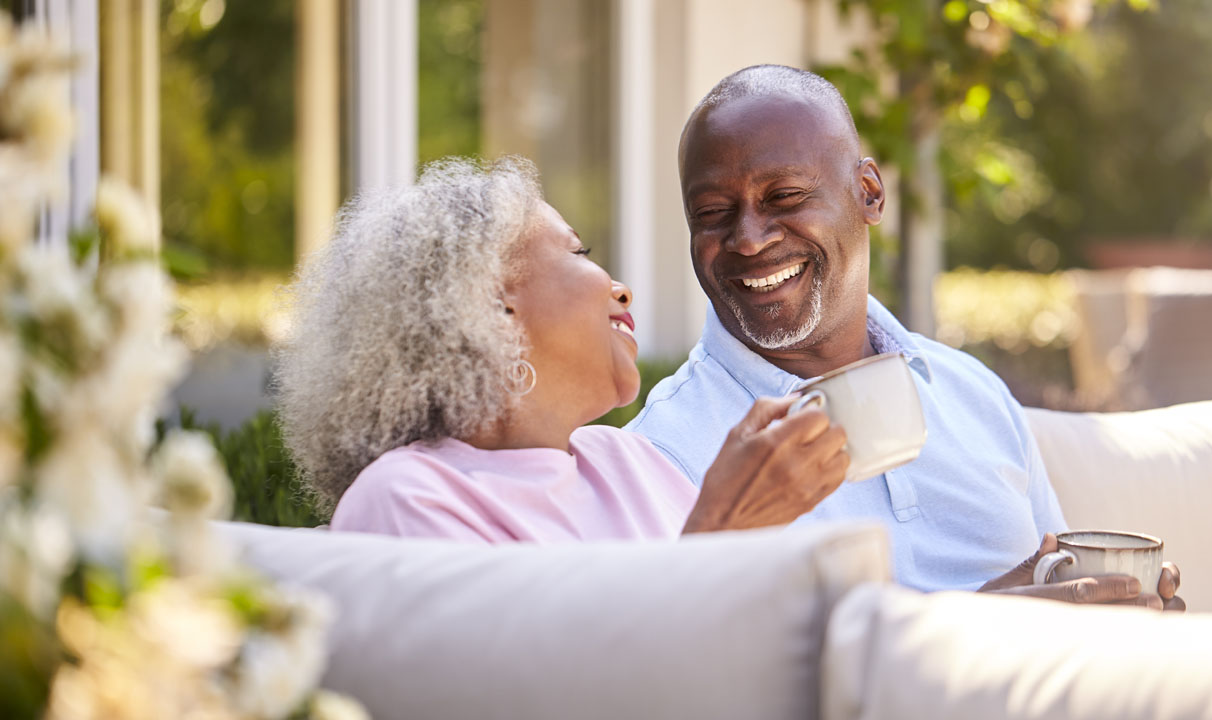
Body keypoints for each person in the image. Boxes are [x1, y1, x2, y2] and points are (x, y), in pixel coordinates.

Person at [626, 64, 1183, 609]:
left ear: (868, 193)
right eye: (713, 212)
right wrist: (976, 628)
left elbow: (1057, 579)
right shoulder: (665, 451)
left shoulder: (971, 392)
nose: (747, 240)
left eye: (785, 196)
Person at [275, 157, 851, 543]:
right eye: (578, 253)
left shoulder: (632, 462)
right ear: (491, 309)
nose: (621, 288)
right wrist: (723, 532)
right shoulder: (407, 498)